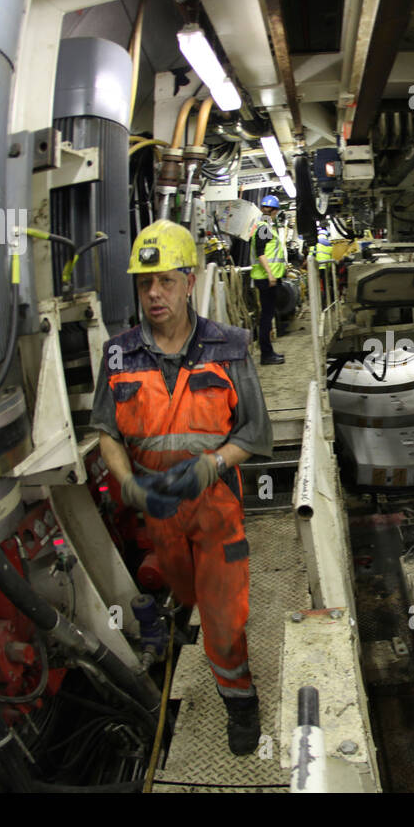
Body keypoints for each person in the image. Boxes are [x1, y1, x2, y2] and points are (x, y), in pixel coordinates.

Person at [90, 219, 274, 755]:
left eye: (166, 281)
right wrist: (127, 484)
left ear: (189, 282)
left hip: (215, 508)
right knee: (187, 595)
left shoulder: (231, 346)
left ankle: (240, 703)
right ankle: (202, 636)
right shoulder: (118, 355)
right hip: (158, 511)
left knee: (221, 620)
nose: (154, 294)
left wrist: (212, 465)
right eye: (145, 283)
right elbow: (105, 431)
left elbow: (255, 434)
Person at [249, 194, 288, 365]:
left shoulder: (264, 226)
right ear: (274, 211)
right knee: (266, 316)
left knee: (267, 315)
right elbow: (261, 253)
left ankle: (268, 352)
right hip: (266, 279)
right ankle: (266, 355)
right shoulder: (264, 227)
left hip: (266, 278)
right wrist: (270, 274)